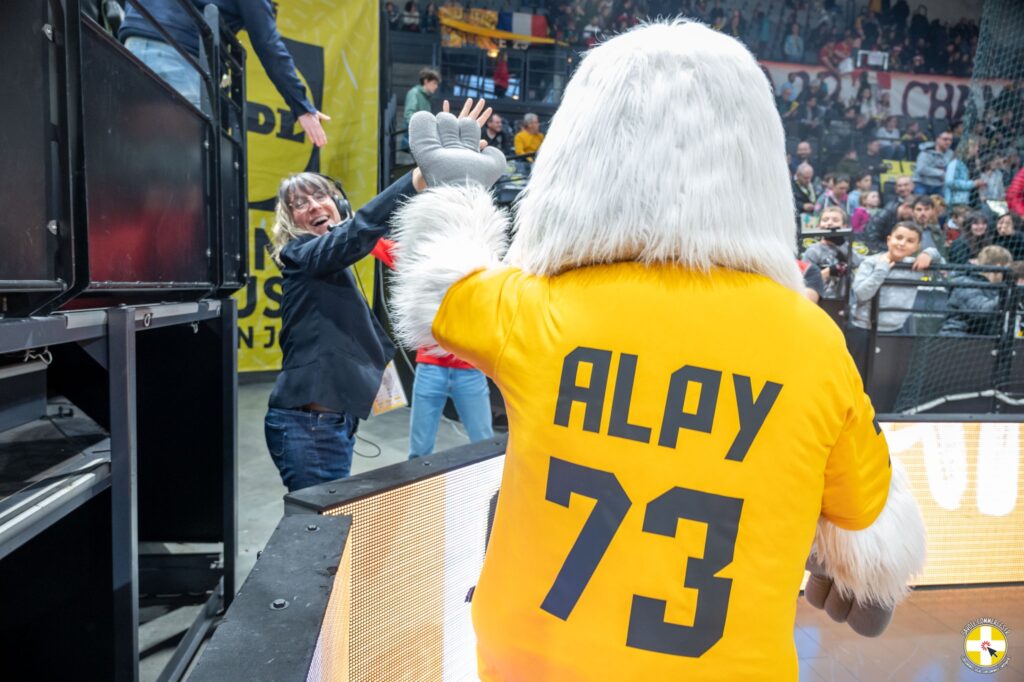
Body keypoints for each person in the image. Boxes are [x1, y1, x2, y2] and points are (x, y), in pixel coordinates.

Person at [391, 22, 924, 680]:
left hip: (533, 663)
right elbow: (871, 528)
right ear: (758, 169)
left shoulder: (539, 312)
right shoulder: (811, 345)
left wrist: (455, 192)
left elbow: (444, 295)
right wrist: (855, 561)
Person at [263, 166, 429, 491]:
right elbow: (358, 231)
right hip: (312, 430)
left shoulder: (328, 266)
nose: (313, 205)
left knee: (322, 531)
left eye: (320, 195)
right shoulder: (299, 255)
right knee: (318, 534)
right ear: (290, 221)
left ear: (338, 204)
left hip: (329, 425)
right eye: (299, 203)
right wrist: (418, 177)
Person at [119, 0, 329, 146]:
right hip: (182, 58)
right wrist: (302, 106)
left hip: (129, 47)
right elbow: (267, 42)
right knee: (178, 167)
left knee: (130, 152)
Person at [366, 239, 495, 458]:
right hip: (431, 367)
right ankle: (419, 490)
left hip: (468, 369)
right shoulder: (425, 260)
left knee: (484, 444)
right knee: (419, 450)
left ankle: (490, 489)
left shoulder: (479, 263)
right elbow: (385, 248)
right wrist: (353, 225)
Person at [848, 222, 943, 375]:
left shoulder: (915, 265)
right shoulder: (871, 262)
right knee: (857, 374)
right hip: (863, 329)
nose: (902, 243)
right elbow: (861, 294)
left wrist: (929, 253)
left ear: (917, 246)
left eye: (910, 241)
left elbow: (942, 264)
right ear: (889, 239)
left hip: (896, 330)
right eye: (899, 238)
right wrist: (882, 270)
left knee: (887, 377)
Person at [940, 245, 1012, 337]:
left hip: (981, 341)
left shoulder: (994, 288)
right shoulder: (966, 284)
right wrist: (1012, 293)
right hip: (956, 341)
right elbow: (983, 311)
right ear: (998, 267)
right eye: (1007, 269)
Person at [802, 206, 864, 299]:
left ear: (844, 226)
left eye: (835, 220)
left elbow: (858, 263)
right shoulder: (813, 250)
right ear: (818, 226)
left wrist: (841, 244)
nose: (830, 223)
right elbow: (806, 281)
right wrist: (829, 271)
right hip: (823, 300)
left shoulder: (847, 247)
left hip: (846, 300)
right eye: (825, 220)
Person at [944, 139, 986, 208]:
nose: (977, 149)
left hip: (966, 201)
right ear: (968, 148)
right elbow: (950, 182)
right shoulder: (955, 163)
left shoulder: (970, 163)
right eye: (975, 146)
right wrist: (972, 184)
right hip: (956, 202)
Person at [912, 129, 954, 195]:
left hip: (939, 186)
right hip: (922, 184)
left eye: (950, 140)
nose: (948, 142)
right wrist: (940, 173)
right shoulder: (925, 152)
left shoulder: (950, 154)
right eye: (945, 139)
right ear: (937, 139)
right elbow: (921, 169)